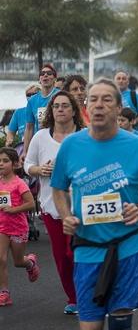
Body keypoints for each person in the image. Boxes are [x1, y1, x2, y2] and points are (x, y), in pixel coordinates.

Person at [50, 79, 138, 330]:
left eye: (107, 100)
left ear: (117, 108)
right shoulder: (71, 145)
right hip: (88, 247)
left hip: (129, 244)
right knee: (90, 327)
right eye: (94, 99)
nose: (99, 105)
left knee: (120, 320)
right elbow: (58, 187)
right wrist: (66, 214)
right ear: (86, 107)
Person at [24, 90, 84, 314]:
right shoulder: (41, 136)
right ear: (51, 110)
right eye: (56, 106)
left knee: (77, 254)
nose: (60, 109)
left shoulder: (84, 135)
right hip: (51, 207)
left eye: (65, 105)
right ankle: (74, 298)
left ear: (73, 110)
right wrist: (41, 169)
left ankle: (86, 294)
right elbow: (28, 164)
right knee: (62, 258)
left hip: (81, 207)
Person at [0, 147, 39, 307]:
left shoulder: (19, 183)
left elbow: (31, 204)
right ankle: (4, 293)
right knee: (0, 259)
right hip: (1, 227)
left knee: (17, 262)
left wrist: (14, 209)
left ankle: (30, 263)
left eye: (5, 161)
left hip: (18, 228)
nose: (1, 164)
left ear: (15, 164)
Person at [23, 64, 61, 157]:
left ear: (55, 78)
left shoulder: (61, 95)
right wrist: (25, 152)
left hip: (58, 142)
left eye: (49, 73)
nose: (45, 75)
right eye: (42, 73)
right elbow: (29, 128)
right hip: (40, 143)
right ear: (39, 79)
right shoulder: (32, 100)